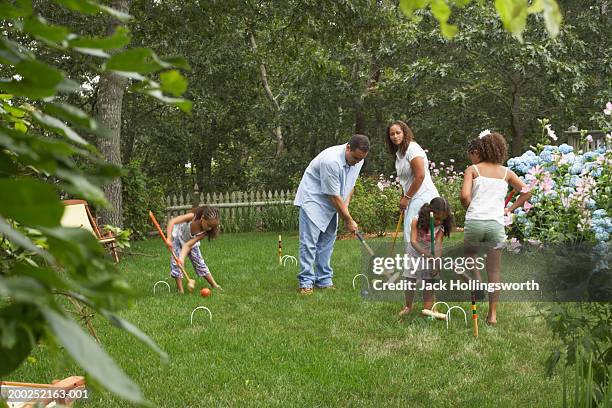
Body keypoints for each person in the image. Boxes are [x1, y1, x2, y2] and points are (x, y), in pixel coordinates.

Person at [460, 131, 531, 324]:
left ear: (482, 148)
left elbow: (465, 196)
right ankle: (492, 315)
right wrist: (509, 209)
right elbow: (526, 192)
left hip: (475, 222)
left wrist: (471, 208)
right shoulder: (506, 172)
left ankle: (476, 280)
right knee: (494, 271)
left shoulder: (472, 169)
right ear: (501, 149)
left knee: (469, 257)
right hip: (496, 224)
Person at [294, 134, 370, 295]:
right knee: (309, 243)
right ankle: (306, 281)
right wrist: (348, 219)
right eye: (355, 158)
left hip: (334, 202)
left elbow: (350, 185)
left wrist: (346, 209)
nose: (357, 162)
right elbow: (333, 196)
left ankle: (323, 279)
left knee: (327, 242)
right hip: (313, 200)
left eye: (360, 159)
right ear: (348, 147)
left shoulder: (359, 159)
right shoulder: (331, 161)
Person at [385, 121, 439, 252]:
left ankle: (421, 267)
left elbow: (420, 175)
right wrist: (404, 198)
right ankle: (418, 267)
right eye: (392, 134)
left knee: (414, 234)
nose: (395, 136)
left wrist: (407, 197)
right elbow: (406, 180)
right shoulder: (400, 154)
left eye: (398, 133)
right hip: (412, 197)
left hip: (423, 196)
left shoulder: (412, 149)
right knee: (412, 233)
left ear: (405, 133)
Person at [399, 197, 454, 316]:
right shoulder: (416, 221)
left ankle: (427, 310)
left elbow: (438, 244)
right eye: (437, 218)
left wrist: (437, 262)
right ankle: (408, 306)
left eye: (442, 219)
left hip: (430, 254)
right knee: (410, 280)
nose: (439, 222)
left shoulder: (441, 226)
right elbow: (413, 241)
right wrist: (427, 255)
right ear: (430, 212)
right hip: (415, 252)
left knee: (429, 282)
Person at [165, 205, 222, 294]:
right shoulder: (192, 217)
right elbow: (173, 221)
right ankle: (181, 291)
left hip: (191, 244)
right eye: (208, 225)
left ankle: (214, 284)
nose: (209, 228)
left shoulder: (204, 232)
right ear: (203, 218)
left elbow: (188, 245)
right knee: (176, 264)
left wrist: (182, 258)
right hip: (178, 239)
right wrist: (168, 238)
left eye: (212, 227)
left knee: (200, 263)